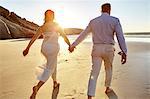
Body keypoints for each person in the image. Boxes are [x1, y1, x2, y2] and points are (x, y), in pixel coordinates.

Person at [69, 3, 127, 99]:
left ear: (101, 10)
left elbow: (83, 34)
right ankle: (107, 88)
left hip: (96, 49)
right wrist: (124, 51)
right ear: (109, 10)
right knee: (108, 69)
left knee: (94, 72)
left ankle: (90, 95)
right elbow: (120, 36)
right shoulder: (115, 20)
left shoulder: (93, 21)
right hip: (109, 49)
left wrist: (73, 45)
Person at [23, 9, 70, 99]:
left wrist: (27, 48)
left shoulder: (42, 27)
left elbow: (34, 38)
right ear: (53, 16)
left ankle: (55, 82)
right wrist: (70, 45)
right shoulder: (57, 25)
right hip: (53, 49)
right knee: (49, 69)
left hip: (45, 48)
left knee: (52, 65)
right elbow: (64, 36)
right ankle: (37, 87)